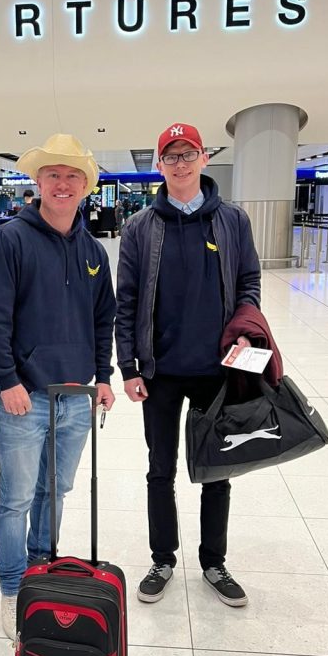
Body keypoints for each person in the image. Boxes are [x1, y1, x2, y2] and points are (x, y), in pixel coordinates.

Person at [0, 134, 116, 639]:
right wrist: (6, 379)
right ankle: (13, 589)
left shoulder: (93, 250)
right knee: (15, 496)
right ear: (37, 182)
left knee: (56, 489)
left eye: (72, 175)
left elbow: (104, 319)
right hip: (23, 399)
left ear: (85, 186)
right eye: (53, 174)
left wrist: (103, 377)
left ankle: (41, 566)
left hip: (77, 396)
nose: (62, 183)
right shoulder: (9, 241)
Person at [116, 122, 261, 608]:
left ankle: (214, 562)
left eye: (189, 153)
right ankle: (162, 557)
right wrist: (128, 367)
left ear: (203, 159)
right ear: (160, 165)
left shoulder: (233, 221)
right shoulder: (140, 227)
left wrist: (244, 333)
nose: (180, 163)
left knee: (217, 469)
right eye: (171, 156)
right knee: (161, 469)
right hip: (159, 372)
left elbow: (249, 282)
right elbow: (127, 301)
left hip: (217, 369)